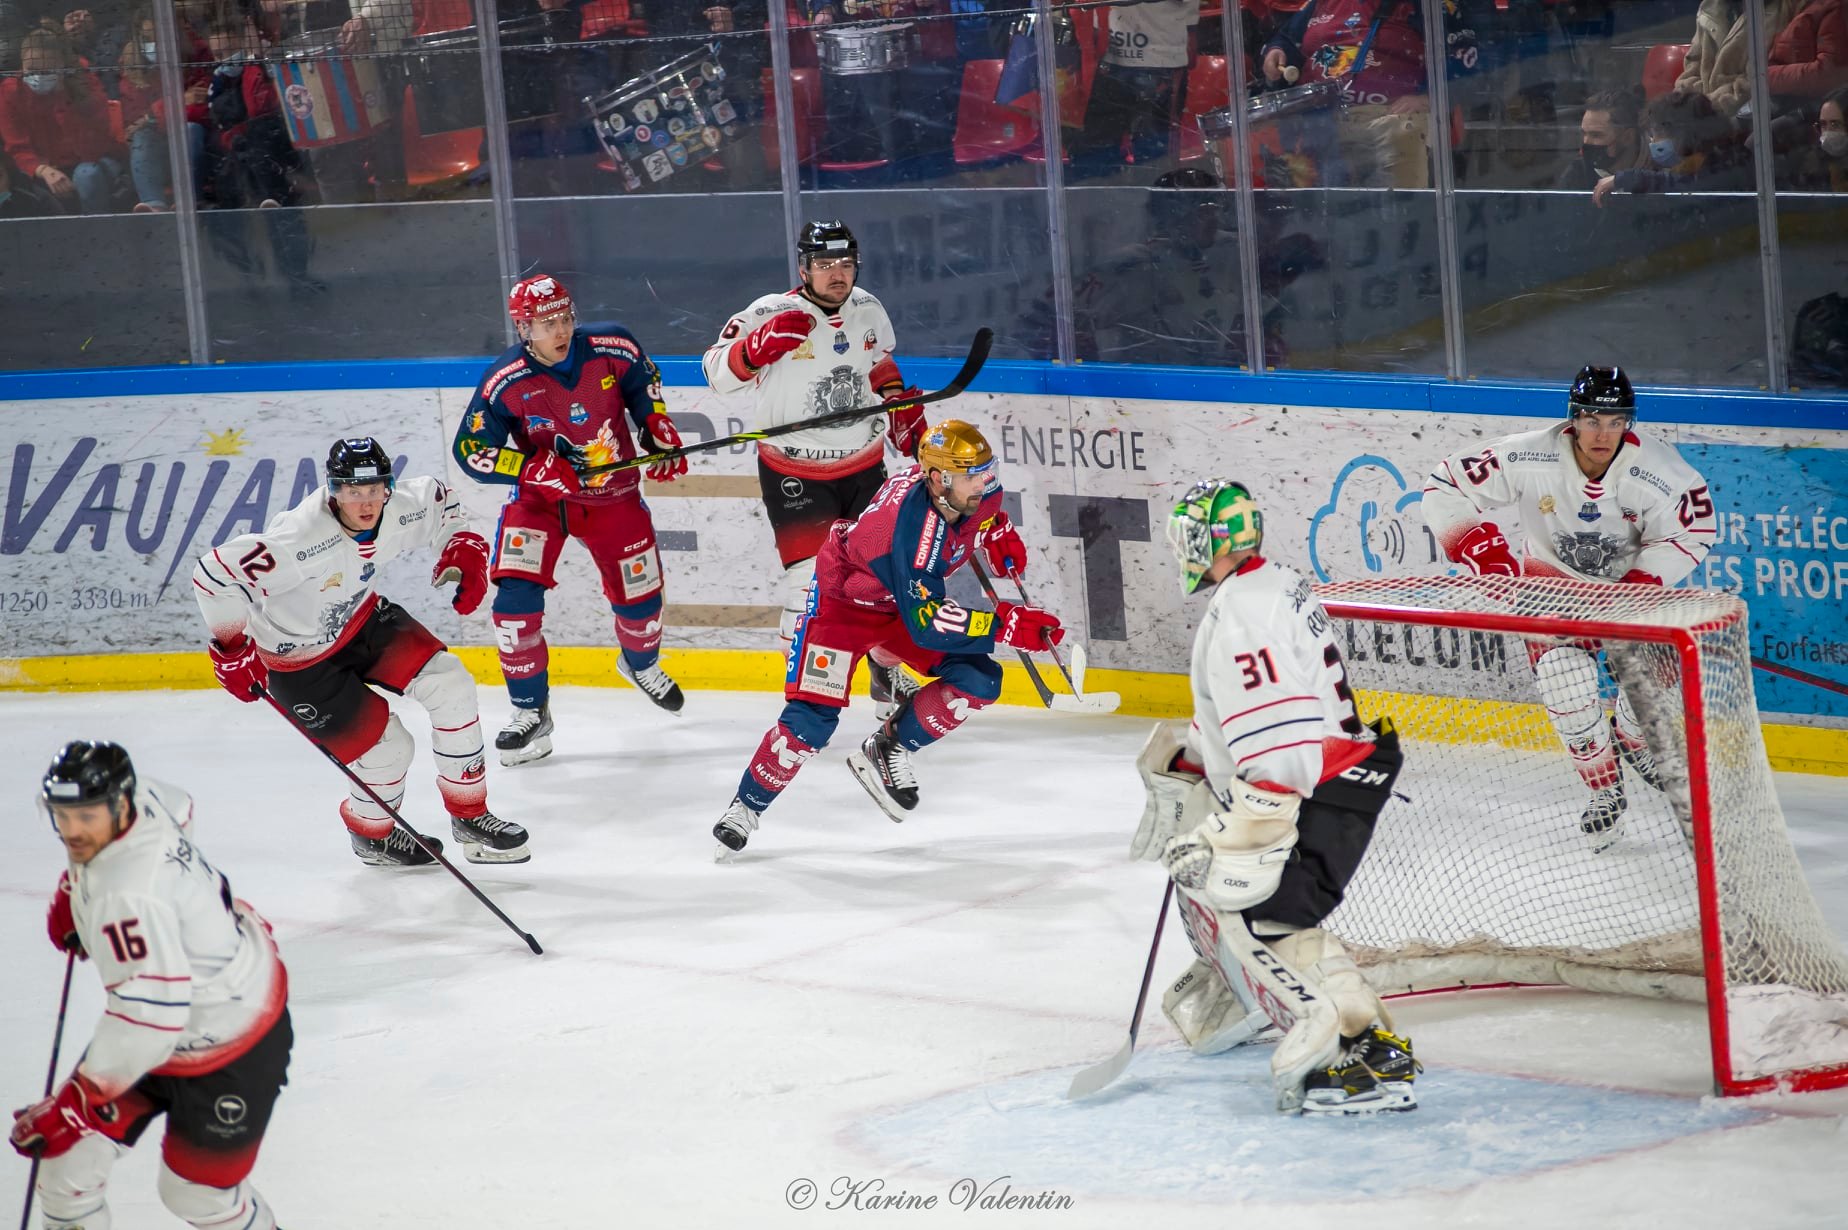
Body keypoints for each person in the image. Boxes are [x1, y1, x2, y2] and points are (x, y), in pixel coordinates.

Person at [1128, 477, 1416, 1115]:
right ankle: (1370, 1043)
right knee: (1284, 919)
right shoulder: (1269, 583)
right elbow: (1257, 718)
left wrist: (1237, 836)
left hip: (1315, 782)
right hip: (1344, 772)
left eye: (1187, 537)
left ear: (1212, 539)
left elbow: (1280, 744)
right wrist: (1195, 757)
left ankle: (1335, 1062)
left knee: (1257, 921)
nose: (1182, 550)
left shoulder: (1242, 614)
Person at [711, 420, 1059, 856]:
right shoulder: (908, 531)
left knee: (979, 679)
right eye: (973, 477)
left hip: (899, 605)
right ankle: (746, 807)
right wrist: (1004, 624)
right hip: (843, 606)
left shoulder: (966, 494)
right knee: (810, 720)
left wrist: (997, 530)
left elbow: (977, 519)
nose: (984, 484)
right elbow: (928, 622)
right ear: (937, 480)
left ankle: (890, 745)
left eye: (986, 472)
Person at [192, 436, 531, 866]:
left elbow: (446, 506)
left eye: (375, 490)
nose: (367, 503)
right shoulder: (297, 539)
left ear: (388, 486)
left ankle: (470, 815)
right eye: (354, 491)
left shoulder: (404, 504)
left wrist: (462, 550)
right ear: (334, 489)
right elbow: (212, 575)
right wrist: (231, 647)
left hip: (360, 620)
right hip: (298, 662)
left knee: (451, 683)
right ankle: (372, 837)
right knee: (389, 752)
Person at [1421, 365, 1717, 848]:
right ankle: (1604, 789)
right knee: (1567, 688)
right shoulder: (1529, 453)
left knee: (1645, 700)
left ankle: (1634, 741)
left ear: (1629, 423)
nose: (1604, 433)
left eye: (1616, 421)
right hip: (1550, 592)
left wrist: (1642, 580)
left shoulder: (1661, 471)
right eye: (1594, 419)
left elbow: (1694, 531)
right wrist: (1481, 548)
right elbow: (1444, 484)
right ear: (1574, 419)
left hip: (1629, 597)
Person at [10, 740, 292, 1229]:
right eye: (63, 815)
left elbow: (152, 1017)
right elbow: (180, 805)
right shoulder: (144, 799)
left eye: (86, 816)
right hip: (165, 1025)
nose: (72, 832)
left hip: (232, 1038)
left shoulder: (126, 894)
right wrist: (73, 886)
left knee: (198, 1197)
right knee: (68, 1171)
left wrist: (78, 1103)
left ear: (118, 803)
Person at [452, 273, 689, 766]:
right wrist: (531, 465)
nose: (559, 331)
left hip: (614, 496)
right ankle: (529, 711)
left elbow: (644, 383)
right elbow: (471, 449)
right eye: (545, 323)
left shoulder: (612, 346)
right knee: (513, 605)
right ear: (523, 328)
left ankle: (640, 663)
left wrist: (657, 428)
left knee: (641, 603)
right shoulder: (506, 380)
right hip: (540, 503)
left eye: (564, 318)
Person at [701, 219, 929, 718]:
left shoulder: (868, 307)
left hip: (866, 468)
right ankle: (806, 700)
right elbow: (716, 372)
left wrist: (895, 404)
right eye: (825, 265)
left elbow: (878, 363)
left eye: (845, 264)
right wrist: (753, 350)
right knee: (810, 587)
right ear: (803, 267)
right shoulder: (771, 311)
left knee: (887, 578)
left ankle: (885, 674)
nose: (836, 274)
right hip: (795, 473)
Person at [1258, 0, 1478, 189]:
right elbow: (1286, 38)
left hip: (1387, 118)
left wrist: (1428, 96)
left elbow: (1466, 56)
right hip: (1320, 120)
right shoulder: (1320, 3)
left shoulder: (1423, 4)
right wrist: (1276, 51)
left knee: (1402, 134)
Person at [0, 26, 127, 212]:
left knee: (86, 175)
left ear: (62, 66)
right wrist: (43, 170)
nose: (38, 76)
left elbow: (92, 146)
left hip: (92, 162)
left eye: (48, 70)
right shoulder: (10, 91)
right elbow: (17, 147)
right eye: (32, 70)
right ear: (22, 64)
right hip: (41, 168)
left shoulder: (83, 80)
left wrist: (62, 97)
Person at [1070, 0, 1200, 178]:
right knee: (1100, 155)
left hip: (1158, 58)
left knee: (1153, 156)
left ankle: (1152, 197)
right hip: (1111, 56)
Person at [1591, 89, 1751, 206]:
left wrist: (1627, 178)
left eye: (1659, 133)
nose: (1653, 141)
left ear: (1683, 134)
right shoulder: (1695, 164)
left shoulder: (1726, 164)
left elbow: (1687, 187)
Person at [1555, 86, 1649, 191]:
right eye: (1584, 134)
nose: (1586, 141)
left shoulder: (1660, 172)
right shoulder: (1577, 174)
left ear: (1627, 137)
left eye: (1596, 135)